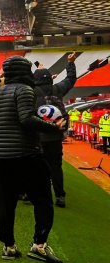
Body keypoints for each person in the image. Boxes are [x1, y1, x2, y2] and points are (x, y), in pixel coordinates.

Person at [0, 56, 65, 263]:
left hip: (3, 157)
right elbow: (26, 119)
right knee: (43, 201)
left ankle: (9, 246)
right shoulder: (24, 90)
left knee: (6, 203)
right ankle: (39, 245)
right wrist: (53, 127)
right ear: (24, 71)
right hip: (27, 155)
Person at [33, 54, 76, 208]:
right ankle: (59, 196)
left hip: (37, 137)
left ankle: (33, 194)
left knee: (36, 166)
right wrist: (70, 63)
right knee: (56, 167)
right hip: (55, 136)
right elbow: (70, 80)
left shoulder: (31, 91)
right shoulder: (57, 89)